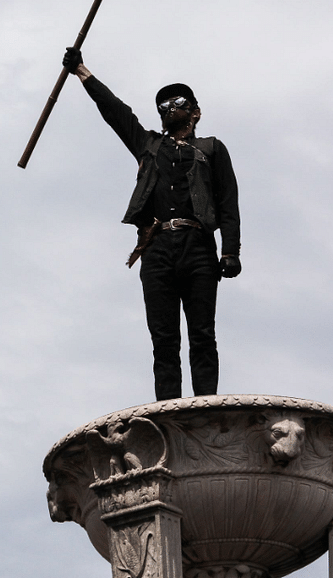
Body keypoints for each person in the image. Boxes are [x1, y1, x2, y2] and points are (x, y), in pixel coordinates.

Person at [62, 47, 241, 401]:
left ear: (195, 111)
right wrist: (81, 72)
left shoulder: (212, 148)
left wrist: (231, 252)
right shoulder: (149, 145)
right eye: (162, 105)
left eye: (177, 101)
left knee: (202, 334)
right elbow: (115, 112)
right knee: (164, 339)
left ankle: (205, 404)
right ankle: (169, 411)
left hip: (199, 248)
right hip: (157, 247)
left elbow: (228, 203)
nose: (169, 108)